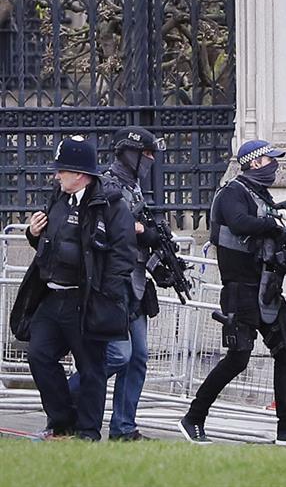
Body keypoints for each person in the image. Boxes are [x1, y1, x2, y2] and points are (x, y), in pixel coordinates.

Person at [181, 140, 286, 445]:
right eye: (271, 160)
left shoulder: (262, 196)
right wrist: (271, 225)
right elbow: (240, 222)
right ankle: (193, 418)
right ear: (254, 162)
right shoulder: (233, 192)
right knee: (238, 358)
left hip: (267, 287)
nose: (275, 166)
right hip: (241, 290)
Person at [11, 136, 136, 441]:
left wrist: (103, 294)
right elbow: (50, 244)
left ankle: (87, 433)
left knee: (91, 368)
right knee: (39, 355)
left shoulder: (111, 204)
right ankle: (62, 420)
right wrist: (33, 233)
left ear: (79, 174)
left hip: (86, 298)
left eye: (61, 171)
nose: (56, 176)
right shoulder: (58, 196)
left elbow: (123, 253)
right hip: (52, 295)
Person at [66, 127, 163, 441]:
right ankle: (64, 398)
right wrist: (136, 229)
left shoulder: (133, 187)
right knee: (117, 355)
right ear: (131, 153)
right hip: (113, 282)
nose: (150, 161)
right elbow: (97, 224)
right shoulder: (106, 183)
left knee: (138, 357)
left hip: (134, 281)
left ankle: (123, 427)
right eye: (146, 154)